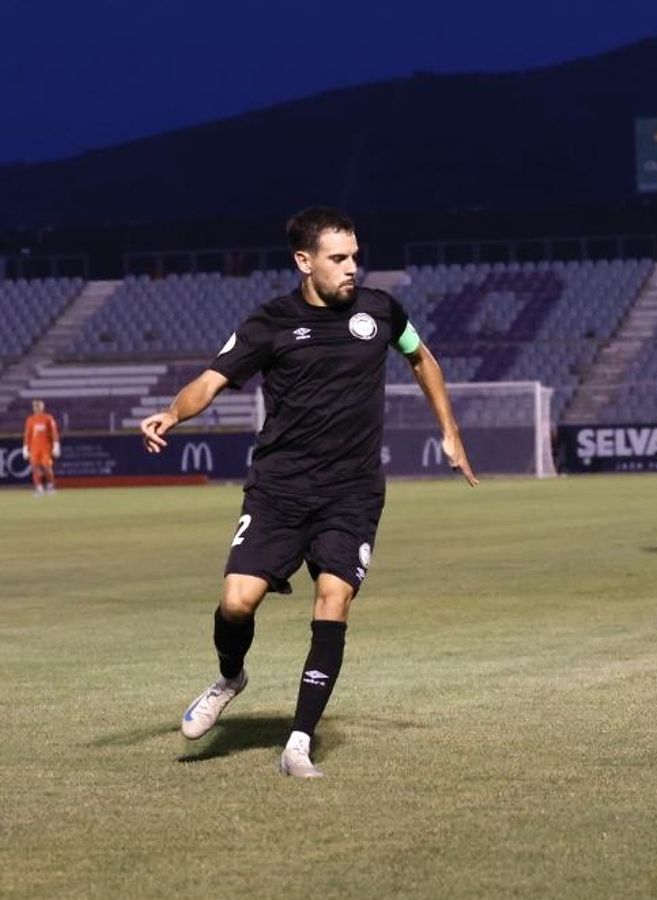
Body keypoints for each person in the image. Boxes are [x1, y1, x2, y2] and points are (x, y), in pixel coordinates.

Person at [141, 206, 478, 778]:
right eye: (338, 258)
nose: (352, 268)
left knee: (333, 599)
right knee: (236, 602)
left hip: (352, 492)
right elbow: (212, 379)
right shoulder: (270, 322)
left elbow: (421, 358)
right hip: (279, 490)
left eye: (354, 256)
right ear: (304, 261)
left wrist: (450, 430)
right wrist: (173, 413)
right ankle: (230, 677)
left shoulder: (381, 310)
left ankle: (298, 742)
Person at [23, 399, 60, 496]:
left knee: (47, 467)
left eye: (39, 406)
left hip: (45, 447)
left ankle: (50, 485)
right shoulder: (30, 420)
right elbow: (27, 434)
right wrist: (25, 447)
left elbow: (54, 432)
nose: (37, 408)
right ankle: (39, 487)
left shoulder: (48, 418)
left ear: (42, 407)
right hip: (34, 447)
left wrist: (56, 445)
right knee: (35, 467)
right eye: (36, 406)